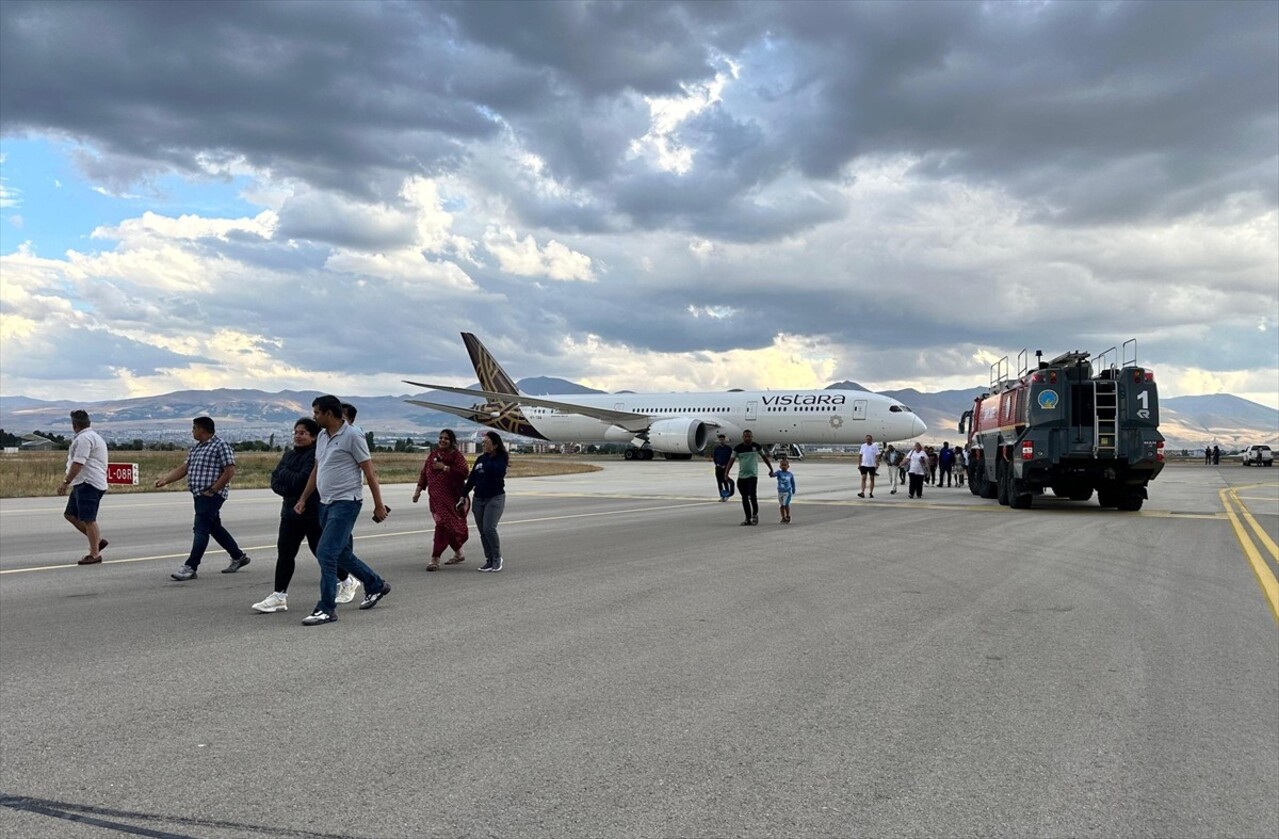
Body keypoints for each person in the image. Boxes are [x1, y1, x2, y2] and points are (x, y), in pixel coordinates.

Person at [292, 395, 392, 625]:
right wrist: (304, 498)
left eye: (317, 412)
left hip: (346, 503)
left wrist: (378, 504)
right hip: (325, 503)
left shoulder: (353, 436)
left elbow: (370, 472)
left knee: (326, 552)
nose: (314, 416)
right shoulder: (323, 437)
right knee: (341, 553)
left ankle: (326, 608)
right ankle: (375, 584)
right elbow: (318, 469)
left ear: (329, 413)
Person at [251, 419, 358, 613]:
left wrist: (288, 478)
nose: (298, 436)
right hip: (290, 512)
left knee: (321, 552)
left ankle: (347, 580)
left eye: (303, 433)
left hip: (312, 513)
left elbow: (303, 481)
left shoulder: (315, 456)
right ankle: (279, 596)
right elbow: (276, 481)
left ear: (314, 436)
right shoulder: (289, 455)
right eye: (296, 432)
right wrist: (289, 482)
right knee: (285, 553)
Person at [156, 416, 251, 581]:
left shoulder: (220, 446)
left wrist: (214, 489)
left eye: (194, 428)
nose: (192, 431)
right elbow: (184, 468)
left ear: (203, 429)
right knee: (214, 527)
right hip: (199, 494)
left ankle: (190, 566)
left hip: (211, 495)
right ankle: (238, 556)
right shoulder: (196, 448)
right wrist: (166, 479)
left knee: (200, 529)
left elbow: (229, 470)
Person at [413, 428, 470, 571]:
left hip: (451, 499)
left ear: (451, 441)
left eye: (446, 438)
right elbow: (424, 474)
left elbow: (464, 473)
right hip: (435, 500)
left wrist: (445, 467)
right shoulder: (433, 455)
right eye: (441, 438)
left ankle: (435, 558)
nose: (442, 440)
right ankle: (458, 553)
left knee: (445, 525)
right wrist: (418, 492)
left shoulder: (456, 456)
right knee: (444, 525)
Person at [59, 409, 109, 565]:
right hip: (82, 482)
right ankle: (97, 541)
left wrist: (65, 482)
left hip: (88, 482)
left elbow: (78, 463)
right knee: (70, 515)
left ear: (75, 425)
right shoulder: (92, 437)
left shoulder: (84, 439)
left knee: (88, 519)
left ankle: (94, 554)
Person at [460, 430, 509, 572]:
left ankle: (497, 558)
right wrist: (463, 494)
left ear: (494, 444)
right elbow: (472, 479)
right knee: (482, 531)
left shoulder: (501, 458)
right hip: (478, 498)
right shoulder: (481, 459)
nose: (483, 444)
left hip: (494, 498)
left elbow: (497, 472)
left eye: (486, 442)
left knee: (489, 528)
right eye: (482, 442)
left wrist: (487, 462)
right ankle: (489, 559)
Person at [725, 429, 774, 525]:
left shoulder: (756, 447)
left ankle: (755, 515)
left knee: (752, 496)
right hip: (742, 476)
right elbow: (731, 460)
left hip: (752, 475)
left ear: (752, 437)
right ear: (742, 437)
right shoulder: (738, 448)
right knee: (744, 498)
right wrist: (726, 473)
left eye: (749, 436)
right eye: (745, 436)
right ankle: (747, 518)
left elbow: (764, 458)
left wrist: (771, 469)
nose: (747, 438)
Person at [711, 433, 734, 501]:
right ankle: (721, 495)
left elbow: (730, 458)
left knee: (725, 481)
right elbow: (714, 457)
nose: (721, 441)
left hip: (725, 467)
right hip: (718, 467)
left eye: (723, 439)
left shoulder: (728, 449)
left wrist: (726, 465)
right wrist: (716, 464)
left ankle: (727, 494)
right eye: (720, 440)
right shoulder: (716, 449)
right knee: (719, 482)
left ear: (725, 440)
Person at [774, 456, 797, 524]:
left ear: (788, 466)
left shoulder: (790, 474)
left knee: (785, 504)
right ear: (780, 466)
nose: (784, 466)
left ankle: (788, 515)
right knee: (781, 505)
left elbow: (793, 482)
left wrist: (793, 489)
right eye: (782, 465)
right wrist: (771, 473)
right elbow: (773, 475)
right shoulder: (779, 473)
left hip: (787, 491)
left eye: (785, 465)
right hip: (780, 491)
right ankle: (783, 517)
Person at [857, 434, 880, 498]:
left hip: (872, 465)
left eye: (869, 439)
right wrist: (859, 464)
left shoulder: (874, 446)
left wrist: (877, 463)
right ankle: (862, 492)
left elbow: (878, 455)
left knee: (872, 479)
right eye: (867, 439)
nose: (868, 440)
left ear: (871, 440)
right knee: (863, 478)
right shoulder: (863, 446)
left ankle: (871, 492)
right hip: (864, 465)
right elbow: (860, 455)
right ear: (865, 439)